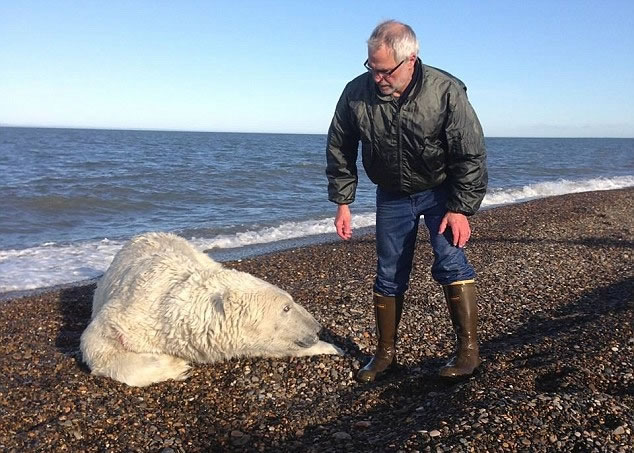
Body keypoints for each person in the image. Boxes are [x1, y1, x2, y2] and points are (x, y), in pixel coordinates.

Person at [326, 20, 488, 382]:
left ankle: (468, 352)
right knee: (388, 272)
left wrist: (460, 208)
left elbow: (470, 153)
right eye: (372, 67)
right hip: (392, 194)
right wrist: (343, 202)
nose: (377, 78)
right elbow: (340, 146)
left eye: (385, 70)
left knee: (450, 261)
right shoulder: (356, 92)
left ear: (410, 59)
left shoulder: (445, 91)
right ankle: (385, 355)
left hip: (441, 191)